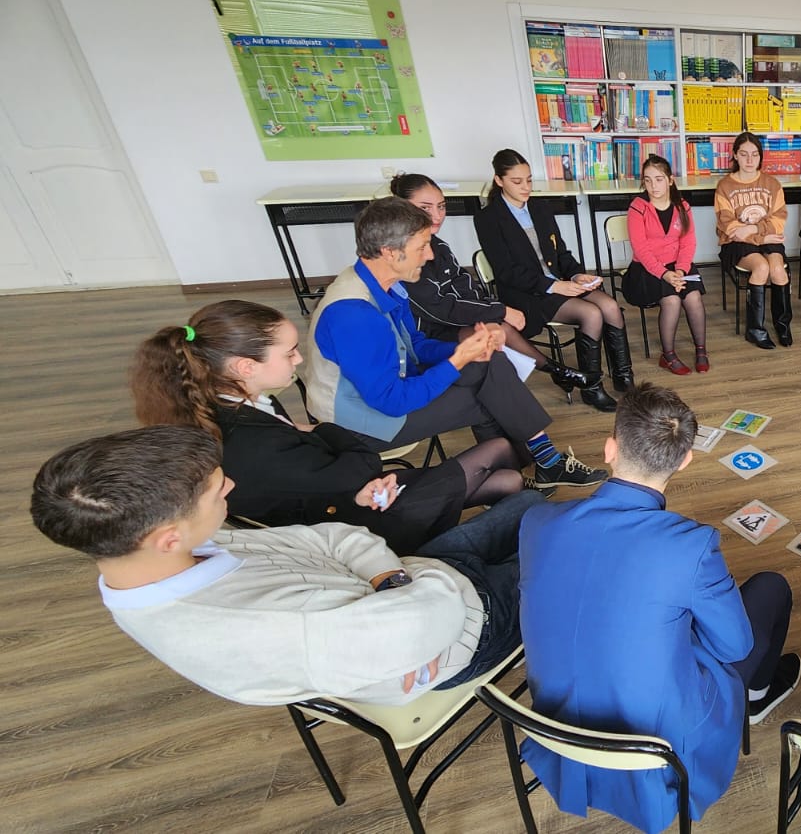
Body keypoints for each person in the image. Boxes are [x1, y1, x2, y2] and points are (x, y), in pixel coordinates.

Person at [30, 425, 543, 706]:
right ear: (168, 537)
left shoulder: (178, 550)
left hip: (416, 579)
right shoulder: (264, 627)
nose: (232, 486)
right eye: (217, 489)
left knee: (534, 506)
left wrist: (392, 581)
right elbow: (429, 618)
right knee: (574, 545)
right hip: (464, 630)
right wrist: (406, 593)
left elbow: (334, 536)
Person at [518, 384, 801, 833]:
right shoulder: (692, 544)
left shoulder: (537, 520)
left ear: (610, 449)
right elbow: (734, 646)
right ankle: (756, 699)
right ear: (685, 460)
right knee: (771, 587)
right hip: (658, 746)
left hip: (555, 726)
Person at [130, 300, 530, 554]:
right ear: (245, 367)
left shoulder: (227, 406)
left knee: (506, 474)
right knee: (504, 468)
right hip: (349, 525)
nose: (299, 361)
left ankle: (497, 523)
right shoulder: (250, 440)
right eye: (289, 353)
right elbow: (363, 460)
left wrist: (319, 439)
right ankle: (477, 540)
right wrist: (321, 431)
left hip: (341, 493)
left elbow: (333, 462)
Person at [302, 197, 605, 490]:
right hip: (360, 425)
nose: (429, 255)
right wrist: (457, 360)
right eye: (422, 247)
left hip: (391, 388)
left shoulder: (386, 284)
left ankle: (533, 471)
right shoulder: (353, 314)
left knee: (489, 361)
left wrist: (468, 349)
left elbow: (415, 346)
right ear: (390, 252)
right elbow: (392, 402)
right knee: (489, 399)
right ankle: (512, 481)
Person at [389, 172, 594, 401]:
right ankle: (553, 373)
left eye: (441, 206)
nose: (437, 215)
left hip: (456, 318)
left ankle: (553, 374)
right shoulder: (402, 254)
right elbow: (440, 309)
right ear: (402, 208)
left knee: (497, 329)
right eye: (425, 208)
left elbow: (465, 286)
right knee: (495, 334)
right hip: (428, 331)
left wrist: (490, 309)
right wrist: (499, 310)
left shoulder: (440, 246)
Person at [476, 148, 633, 411]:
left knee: (610, 306)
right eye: (517, 181)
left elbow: (560, 252)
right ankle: (592, 388)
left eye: (529, 180)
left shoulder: (539, 207)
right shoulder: (487, 218)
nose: (526, 187)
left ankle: (623, 377)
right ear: (499, 180)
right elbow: (507, 272)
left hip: (558, 281)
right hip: (526, 293)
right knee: (591, 314)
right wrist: (554, 285)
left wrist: (577, 274)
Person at [623, 154, 709, 374]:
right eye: (648, 180)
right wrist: (665, 274)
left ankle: (701, 350)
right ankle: (668, 355)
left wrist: (680, 270)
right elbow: (641, 250)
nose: (653, 186)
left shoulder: (682, 206)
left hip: (678, 266)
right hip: (647, 269)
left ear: (670, 180)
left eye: (659, 179)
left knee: (693, 297)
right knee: (672, 300)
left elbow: (688, 243)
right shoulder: (637, 207)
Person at [715, 131, 792, 349]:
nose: (750, 160)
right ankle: (755, 330)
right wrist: (762, 236)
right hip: (735, 244)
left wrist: (753, 229)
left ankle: (782, 325)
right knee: (761, 267)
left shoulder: (772, 184)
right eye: (744, 154)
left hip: (764, 237)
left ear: (760, 156)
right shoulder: (724, 186)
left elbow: (779, 221)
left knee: (777, 269)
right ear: (735, 155)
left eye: (755, 154)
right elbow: (731, 228)